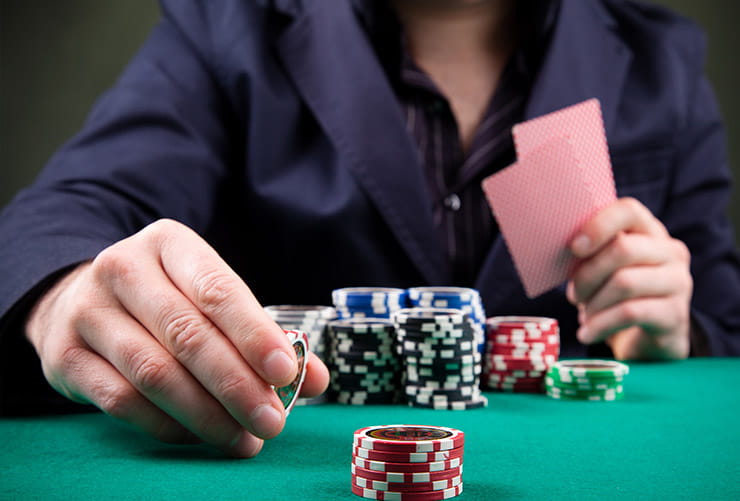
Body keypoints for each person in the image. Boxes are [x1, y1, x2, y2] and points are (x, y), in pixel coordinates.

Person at [1, 0, 739, 457]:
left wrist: (683, 328)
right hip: (297, 451)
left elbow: (726, 321)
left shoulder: (663, 59)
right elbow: (59, 213)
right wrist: (64, 291)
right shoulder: (222, 24)